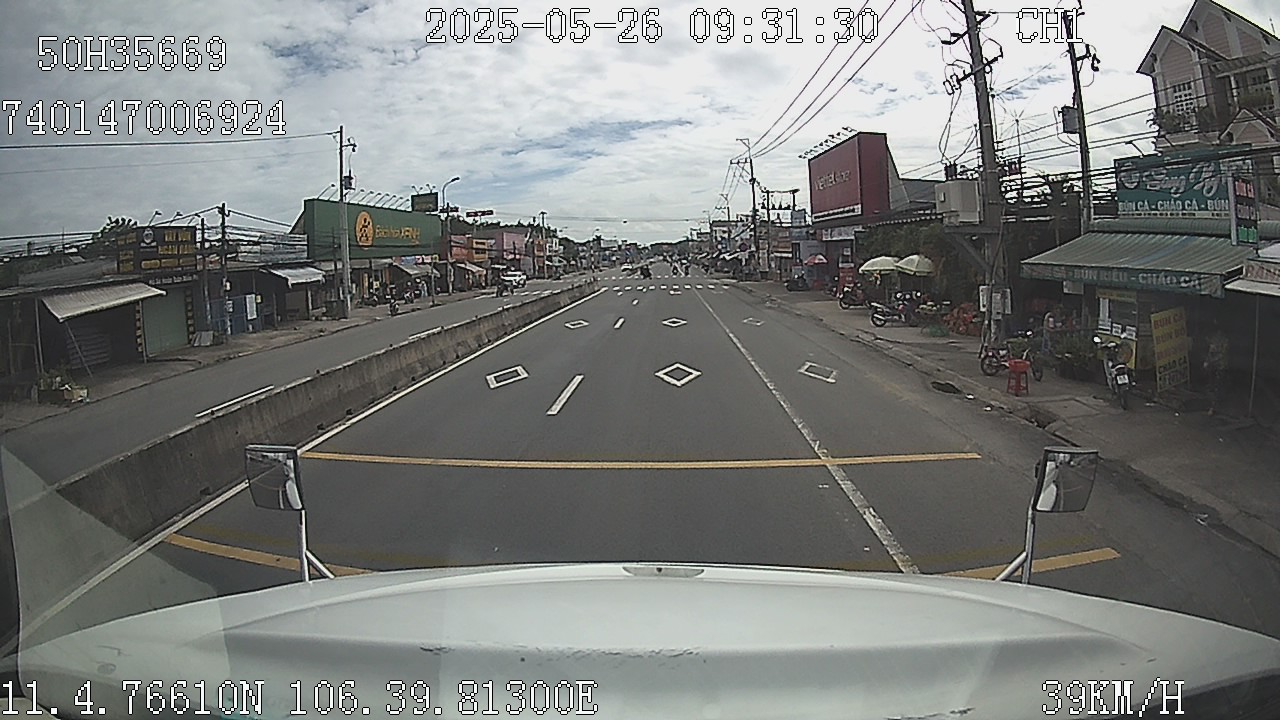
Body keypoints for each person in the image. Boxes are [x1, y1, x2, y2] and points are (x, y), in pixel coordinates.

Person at [1204, 321, 1229, 415]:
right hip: (1216, 366)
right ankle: (1213, 405)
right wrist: (1208, 361)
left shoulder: (1222, 340)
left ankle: (1213, 407)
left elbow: (1221, 354)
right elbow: (1210, 352)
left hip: (1220, 366)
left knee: (1216, 386)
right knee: (1214, 385)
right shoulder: (1217, 339)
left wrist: (1209, 361)